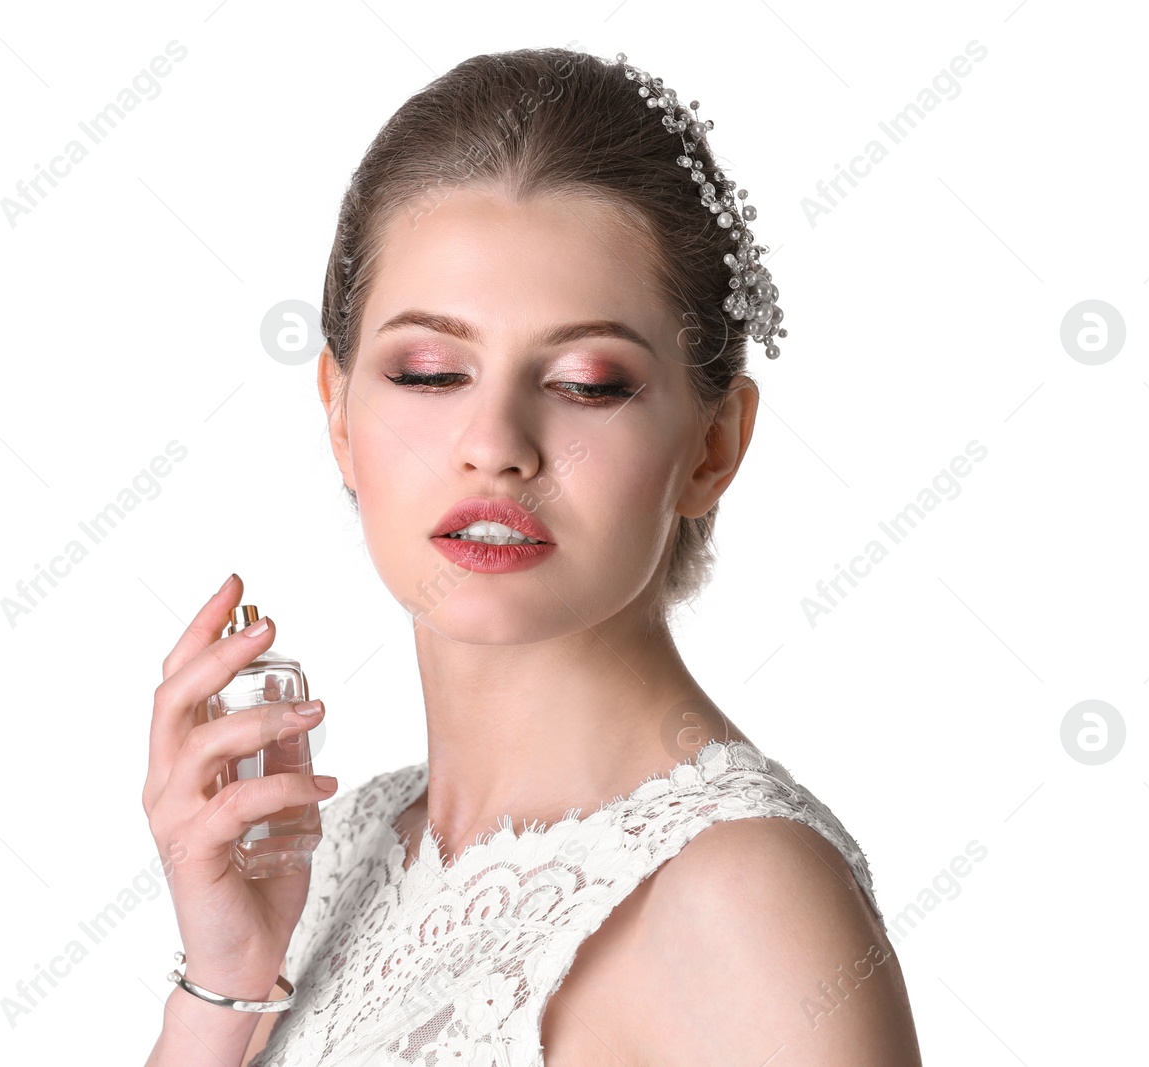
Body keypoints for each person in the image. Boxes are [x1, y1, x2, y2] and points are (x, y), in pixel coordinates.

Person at [144, 46, 922, 1066]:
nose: (495, 442)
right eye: (428, 371)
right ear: (337, 411)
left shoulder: (744, 899)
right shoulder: (339, 854)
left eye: (588, 381)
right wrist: (225, 986)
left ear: (712, 445)